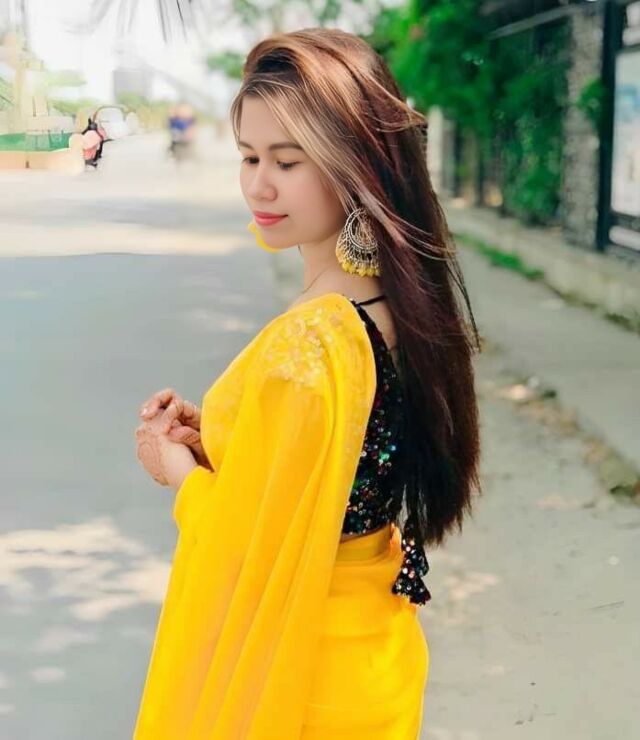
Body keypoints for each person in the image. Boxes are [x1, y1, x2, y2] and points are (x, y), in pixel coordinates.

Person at [132, 27, 482, 739]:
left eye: (288, 161)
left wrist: (179, 472)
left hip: (302, 675)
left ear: (357, 166)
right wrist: (225, 439)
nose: (258, 185)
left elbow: (249, 550)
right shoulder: (400, 306)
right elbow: (343, 464)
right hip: (373, 648)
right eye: (249, 156)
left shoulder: (311, 341)